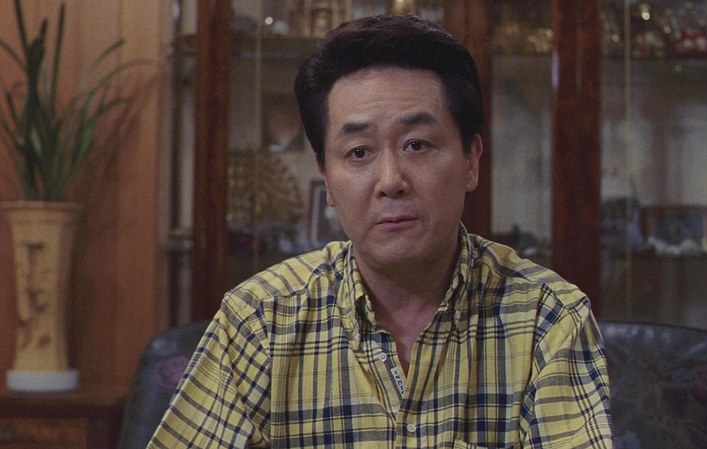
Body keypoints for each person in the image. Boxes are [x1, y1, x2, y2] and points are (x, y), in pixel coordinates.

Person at [147, 15, 612, 449]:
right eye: (359, 152)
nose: (391, 180)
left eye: (417, 144)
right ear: (327, 179)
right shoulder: (259, 321)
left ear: (471, 160)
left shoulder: (547, 319)